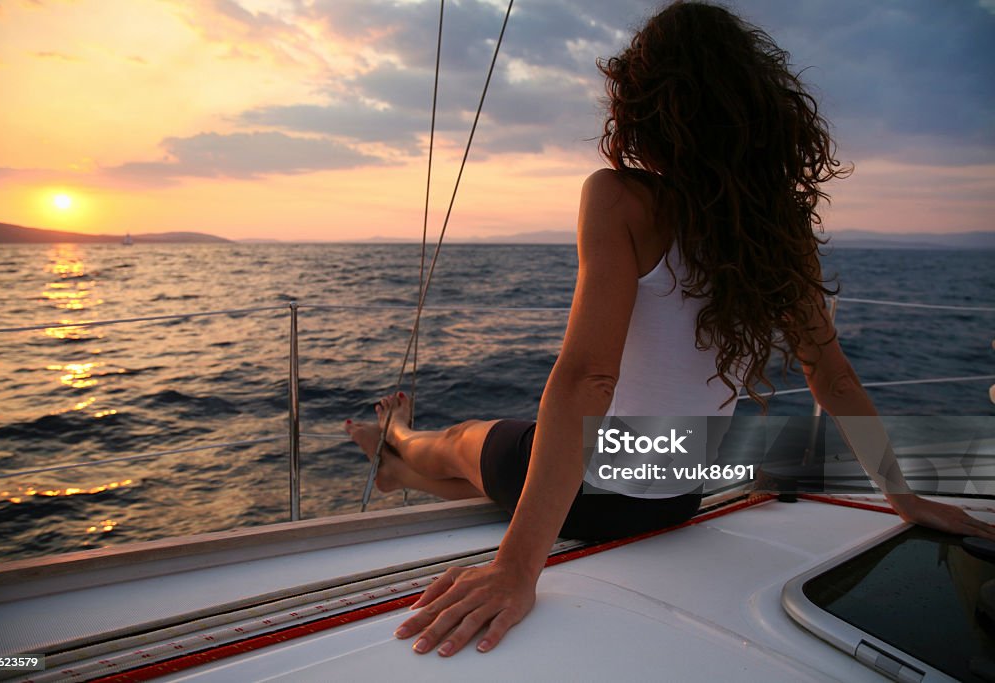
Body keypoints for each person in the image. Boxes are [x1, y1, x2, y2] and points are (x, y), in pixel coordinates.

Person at [344, 0, 995, 658]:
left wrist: (517, 567)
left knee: (460, 442)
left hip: (596, 493)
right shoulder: (779, 233)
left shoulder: (622, 198)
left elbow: (588, 378)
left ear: (648, 103)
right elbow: (833, 377)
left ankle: (397, 440)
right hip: (679, 494)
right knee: (498, 463)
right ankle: (399, 467)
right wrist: (903, 494)